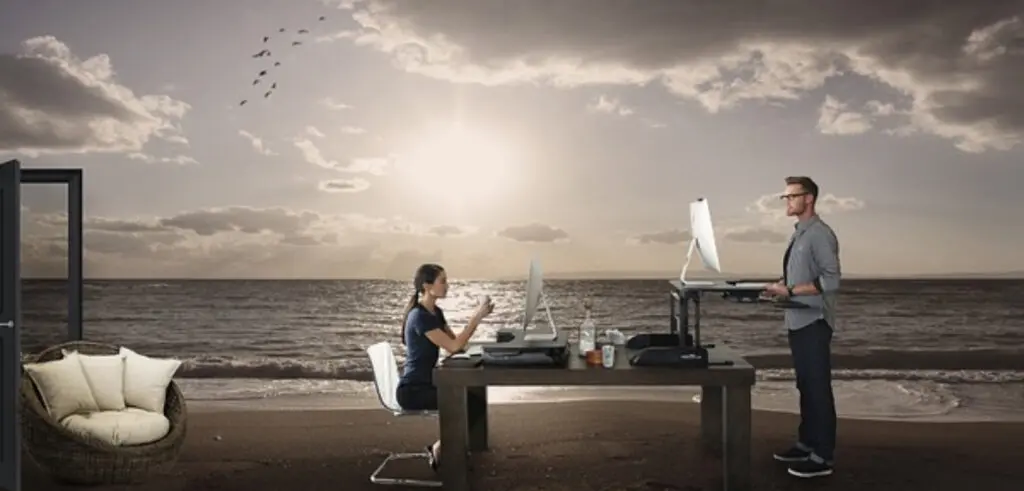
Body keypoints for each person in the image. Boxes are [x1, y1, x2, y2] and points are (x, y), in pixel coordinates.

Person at [762, 176, 841, 479]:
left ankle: (822, 457)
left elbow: (831, 280)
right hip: (797, 319)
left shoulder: (819, 234)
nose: (787, 201)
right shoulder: (799, 234)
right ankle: (806, 443)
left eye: (792, 196)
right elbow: (801, 276)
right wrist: (780, 287)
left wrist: (791, 290)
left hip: (814, 321)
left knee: (817, 388)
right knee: (805, 385)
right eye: (785, 197)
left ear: (809, 199)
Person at [395, 263, 494, 471]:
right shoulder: (420, 317)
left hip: (428, 383)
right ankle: (441, 448)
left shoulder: (435, 313)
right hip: (413, 390)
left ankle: (457, 448)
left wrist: (476, 323)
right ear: (427, 286)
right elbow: (454, 346)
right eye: (443, 281)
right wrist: (476, 317)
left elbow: (458, 345)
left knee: (473, 397)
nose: (447, 285)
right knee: (463, 402)